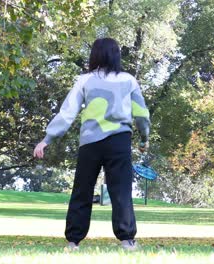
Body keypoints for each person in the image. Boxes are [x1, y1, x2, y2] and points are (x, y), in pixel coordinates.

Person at [33, 38, 150, 251]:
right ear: (116, 55)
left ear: (94, 55)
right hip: (119, 141)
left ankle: (73, 241)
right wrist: (144, 138)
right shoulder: (129, 80)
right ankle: (127, 240)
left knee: (82, 190)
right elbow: (141, 114)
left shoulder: (84, 80)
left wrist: (47, 139)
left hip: (90, 143)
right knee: (121, 190)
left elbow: (67, 112)